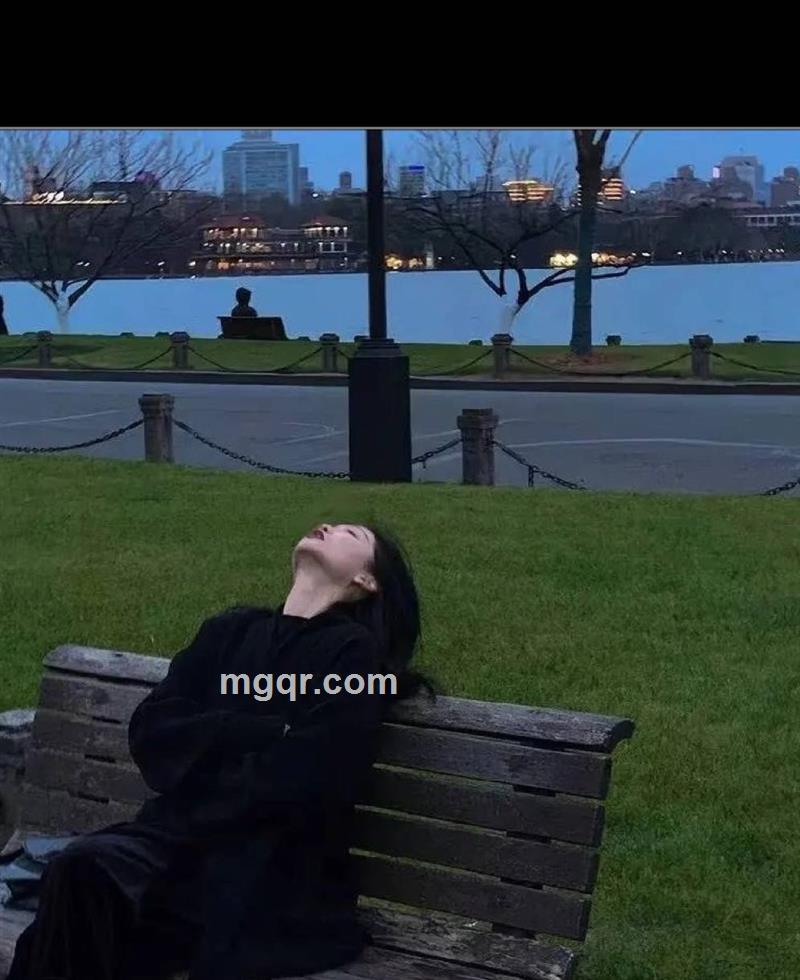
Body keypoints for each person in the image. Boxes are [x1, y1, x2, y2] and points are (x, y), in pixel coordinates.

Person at [7, 522, 438, 980]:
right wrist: (259, 730)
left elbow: (308, 774)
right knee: (82, 875)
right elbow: (153, 730)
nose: (329, 525)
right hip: (173, 846)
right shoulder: (229, 632)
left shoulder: (354, 660)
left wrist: (203, 755)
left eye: (351, 534)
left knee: (89, 891)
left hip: (269, 872)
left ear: (366, 580)